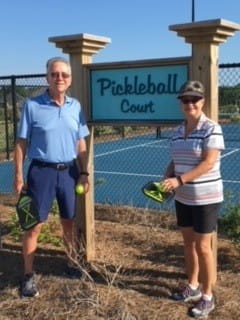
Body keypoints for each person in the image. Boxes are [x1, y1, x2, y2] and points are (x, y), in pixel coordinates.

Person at [13, 57, 90, 298]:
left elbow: (81, 142)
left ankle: (71, 265)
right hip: (41, 173)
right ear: (47, 77)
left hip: (69, 173)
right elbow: (21, 142)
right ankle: (27, 276)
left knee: (69, 222)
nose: (59, 78)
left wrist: (84, 173)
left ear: (70, 80)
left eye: (64, 75)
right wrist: (17, 175)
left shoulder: (75, 106)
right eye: (55, 74)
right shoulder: (32, 105)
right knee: (33, 226)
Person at [162, 80, 224, 318]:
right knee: (188, 244)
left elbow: (208, 163)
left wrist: (179, 180)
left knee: (203, 247)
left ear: (203, 101)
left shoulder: (212, 128)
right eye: (185, 100)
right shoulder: (178, 131)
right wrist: (168, 176)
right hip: (183, 197)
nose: (190, 104)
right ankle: (193, 287)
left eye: (194, 99)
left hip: (206, 198)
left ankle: (208, 297)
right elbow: (176, 160)